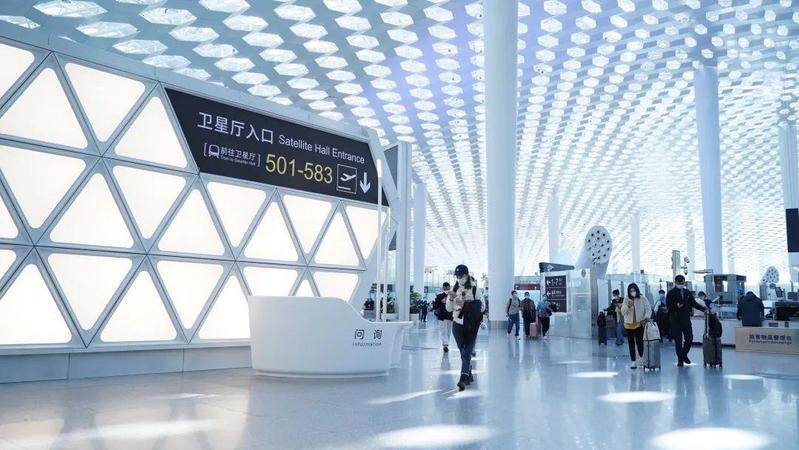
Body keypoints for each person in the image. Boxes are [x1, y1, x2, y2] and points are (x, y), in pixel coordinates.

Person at [446, 264, 484, 391]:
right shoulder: (454, 289)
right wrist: (451, 300)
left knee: (467, 351)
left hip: (471, 324)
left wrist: (466, 304)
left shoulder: (475, 289)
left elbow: (482, 306)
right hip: (457, 324)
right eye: (456, 276)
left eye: (460, 276)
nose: (458, 278)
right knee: (462, 351)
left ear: (466, 275)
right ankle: (469, 372)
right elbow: (448, 309)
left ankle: (463, 378)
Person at [666, 275, 706, 367]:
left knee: (689, 339)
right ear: (675, 282)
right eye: (680, 283)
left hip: (686, 320)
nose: (681, 284)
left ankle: (684, 354)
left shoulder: (687, 292)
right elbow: (668, 306)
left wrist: (704, 309)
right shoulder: (671, 293)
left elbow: (694, 303)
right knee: (678, 341)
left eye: (683, 283)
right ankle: (680, 360)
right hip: (675, 321)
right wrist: (676, 306)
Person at [620, 283, 652, 369]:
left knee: (640, 342)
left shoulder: (642, 298)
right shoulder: (626, 299)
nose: (632, 292)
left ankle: (641, 358)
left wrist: (646, 317)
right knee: (631, 344)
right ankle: (633, 361)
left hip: (639, 323)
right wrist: (628, 306)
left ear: (637, 290)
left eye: (634, 290)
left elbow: (648, 308)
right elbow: (623, 312)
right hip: (628, 325)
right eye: (631, 291)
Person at [432, 282, 453, 352]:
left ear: (449, 287)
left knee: (448, 331)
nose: (446, 288)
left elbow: (457, 303)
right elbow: (435, 305)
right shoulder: (440, 295)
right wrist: (441, 301)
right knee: (444, 330)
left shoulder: (452, 294)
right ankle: (445, 344)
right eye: (445, 287)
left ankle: (446, 343)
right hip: (442, 316)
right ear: (443, 288)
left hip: (450, 316)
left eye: (447, 287)